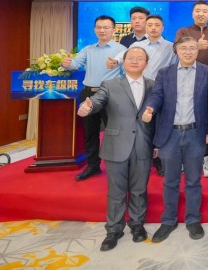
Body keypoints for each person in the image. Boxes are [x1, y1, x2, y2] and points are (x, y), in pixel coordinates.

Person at [76, 47, 154, 251]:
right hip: (116, 144)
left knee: (139, 189)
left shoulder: (153, 86)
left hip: (143, 144)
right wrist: (88, 107)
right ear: (123, 62)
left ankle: (137, 224)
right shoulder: (109, 84)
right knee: (116, 191)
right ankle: (114, 229)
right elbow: (97, 101)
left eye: (140, 58)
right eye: (131, 58)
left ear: (146, 64)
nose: (135, 61)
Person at [142, 36, 208, 243]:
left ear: (197, 51)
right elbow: (157, 95)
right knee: (170, 180)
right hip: (170, 134)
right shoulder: (164, 73)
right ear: (176, 50)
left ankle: (193, 219)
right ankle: (168, 220)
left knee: (193, 180)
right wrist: (150, 108)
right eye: (184, 48)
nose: (188, 52)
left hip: (196, 133)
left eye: (192, 48)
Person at [110, 14, 177, 176]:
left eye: (157, 25)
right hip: (140, 88)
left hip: (161, 90)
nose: (153, 28)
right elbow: (123, 57)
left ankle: (159, 160)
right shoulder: (137, 45)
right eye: (150, 25)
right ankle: (138, 156)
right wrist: (115, 61)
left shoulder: (170, 47)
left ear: (163, 28)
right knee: (140, 124)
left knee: (159, 124)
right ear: (145, 27)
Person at [63, 15, 126, 181]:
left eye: (106, 27)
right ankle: (93, 166)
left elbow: (125, 70)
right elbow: (75, 64)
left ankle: (118, 166)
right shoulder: (88, 49)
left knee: (114, 132)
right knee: (90, 132)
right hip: (89, 94)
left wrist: (116, 63)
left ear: (114, 30)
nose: (102, 30)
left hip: (111, 94)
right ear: (94, 29)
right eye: (99, 27)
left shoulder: (122, 50)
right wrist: (67, 64)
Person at [175, 0, 208, 178]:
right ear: (192, 13)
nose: (201, 14)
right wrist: (195, 44)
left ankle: (207, 157)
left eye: (204, 11)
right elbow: (175, 49)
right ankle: (182, 158)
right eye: (197, 10)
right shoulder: (183, 31)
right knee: (184, 116)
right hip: (185, 79)